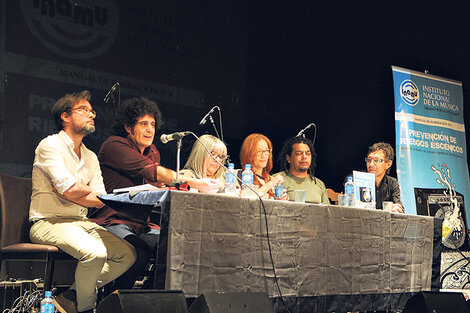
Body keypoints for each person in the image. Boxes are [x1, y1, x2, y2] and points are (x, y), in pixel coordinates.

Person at [89, 97, 220, 290]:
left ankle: (146, 297)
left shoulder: (153, 152)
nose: (150, 129)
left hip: (141, 224)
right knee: (139, 251)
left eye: (152, 124)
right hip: (113, 220)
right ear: (128, 127)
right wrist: (195, 182)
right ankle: (113, 300)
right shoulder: (114, 145)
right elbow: (152, 172)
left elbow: (156, 184)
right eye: (143, 124)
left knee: (178, 248)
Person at [29, 91, 136, 313]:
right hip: (48, 222)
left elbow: (99, 199)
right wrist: (72, 190)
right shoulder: (50, 145)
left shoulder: (91, 156)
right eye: (83, 110)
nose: (91, 115)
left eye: (92, 111)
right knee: (95, 253)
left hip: (80, 222)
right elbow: (71, 189)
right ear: (65, 116)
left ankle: (71, 295)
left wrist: (71, 191)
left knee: (127, 254)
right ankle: (86, 308)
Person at [274, 136, 330, 204]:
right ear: (288, 158)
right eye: (299, 153)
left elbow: (327, 212)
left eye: (308, 153)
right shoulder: (276, 180)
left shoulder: (319, 184)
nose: (304, 157)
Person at [239, 133, 286, 199]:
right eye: (259, 151)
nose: (263, 155)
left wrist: (281, 199)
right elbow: (251, 198)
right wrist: (271, 184)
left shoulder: (271, 179)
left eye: (266, 151)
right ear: (248, 153)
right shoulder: (239, 175)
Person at [365, 142, 404, 213]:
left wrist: (397, 209)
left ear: (388, 164)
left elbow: (398, 207)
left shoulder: (392, 183)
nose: (371, 164)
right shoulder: (358, 180)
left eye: (376, 160)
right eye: (369, 160)